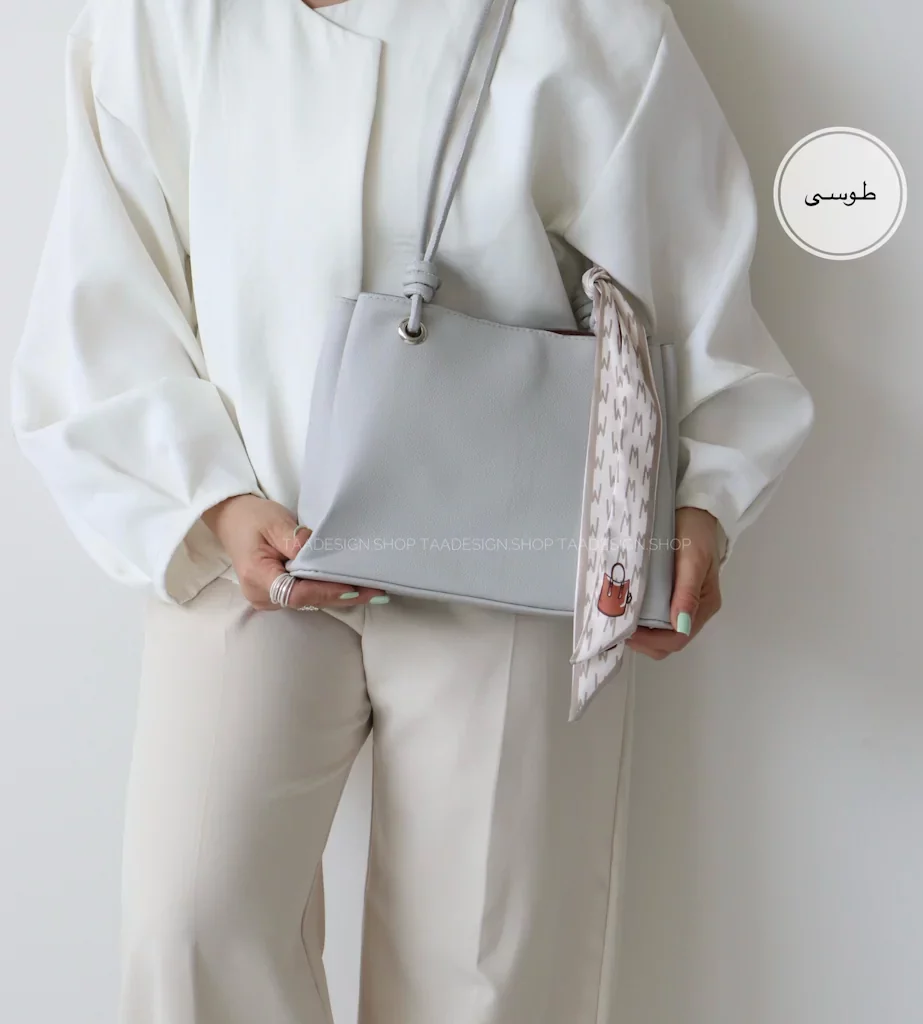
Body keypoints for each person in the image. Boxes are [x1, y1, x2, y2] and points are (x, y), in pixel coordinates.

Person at [10, 0, 814, 1021]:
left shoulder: (577, 19)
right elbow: (104, 290)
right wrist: (209, 500)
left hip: (513, 550)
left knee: (484, 977)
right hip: (244, 532)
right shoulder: (158, 21)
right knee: (191, 928)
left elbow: (689, 276)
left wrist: (701, 502)